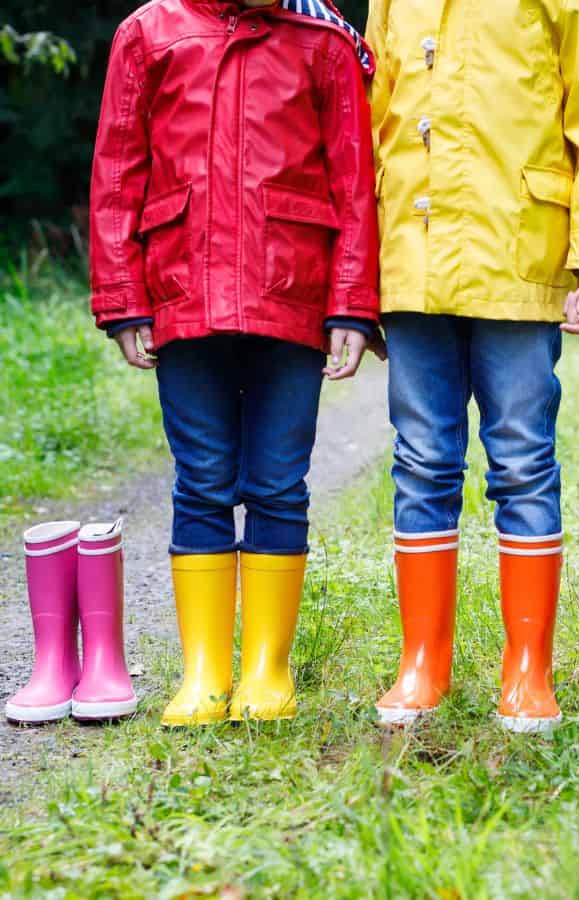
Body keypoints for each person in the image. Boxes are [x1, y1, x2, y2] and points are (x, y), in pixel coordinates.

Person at [89, 0, 381, 726]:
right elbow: (117, 173)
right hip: (182, 292)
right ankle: (204, 674)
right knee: (202, 481)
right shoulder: (148, 33)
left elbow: (354, 183)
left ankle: (265, 673)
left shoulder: (323, 43)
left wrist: (350, 303)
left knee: (279, 482)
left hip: (294, 294)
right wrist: (124, 297)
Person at [368, 0, 579, 732]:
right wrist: (357, 272)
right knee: (422, 457)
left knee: (522, 457)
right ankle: (421, 662)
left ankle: (529, 671)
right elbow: (373, 123)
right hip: (412, 261)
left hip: (519, 256)